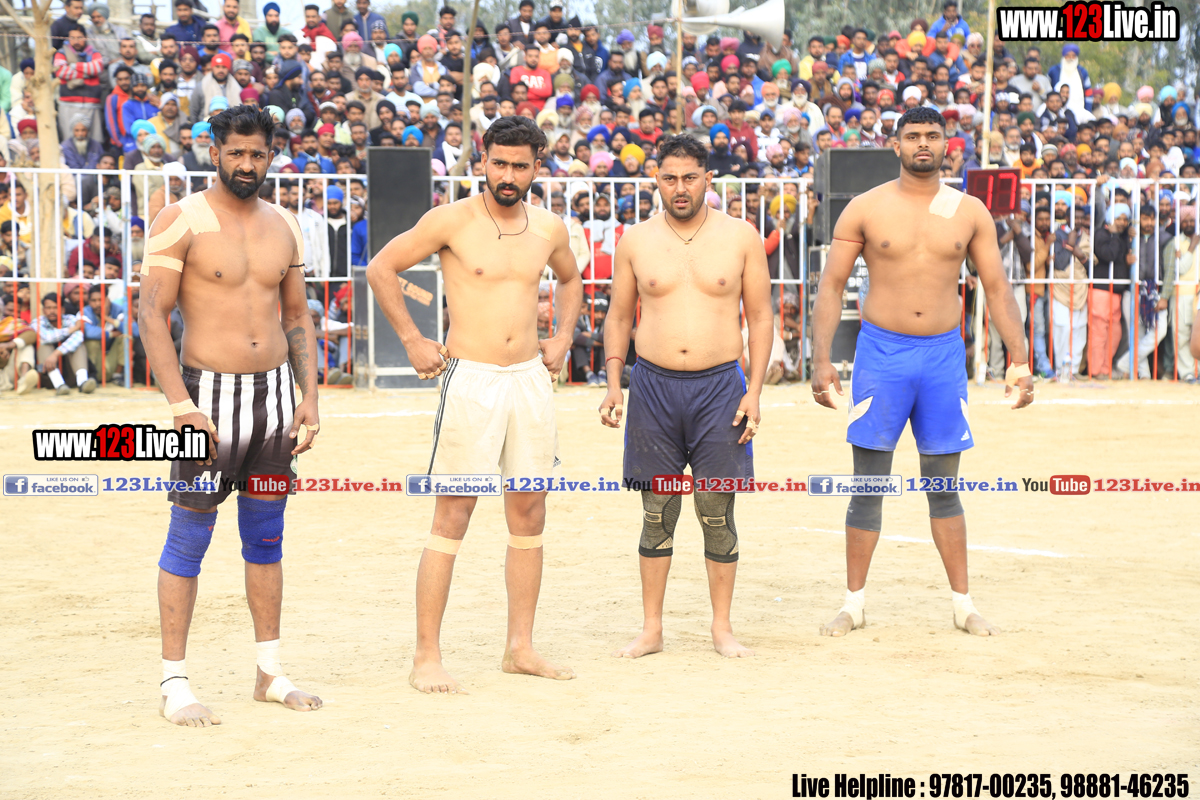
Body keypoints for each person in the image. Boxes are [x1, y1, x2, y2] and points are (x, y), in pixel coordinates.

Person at [366, 116, 583, 694]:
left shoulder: (549, 227)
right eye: (499, 163)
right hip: (471, 380)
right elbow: (381, 267)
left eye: (520, 166)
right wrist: (412, 338)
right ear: (482, 161)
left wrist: (563, 336)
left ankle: (520, 649)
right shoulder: (452, 220)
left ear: (537, 167)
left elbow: (571, 280)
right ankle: (427, 657)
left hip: (529, 379)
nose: (508, 175)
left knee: (530, 512)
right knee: (453, 513)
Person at [809, 107, 1033, 639]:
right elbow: (831, 286)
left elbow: (997, 288)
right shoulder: (865, 208)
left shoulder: (970, 211)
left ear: (947, 143)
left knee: (943, 485)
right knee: (868, 484)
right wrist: (820, 360)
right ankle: (853, 605)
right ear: (896, 145)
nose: (923, 144)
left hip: (942, 358)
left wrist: (1020, 359)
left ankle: (963, 605)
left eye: (933, 135)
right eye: (913, 136)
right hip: (882, 355)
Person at [138, 105, 323, 727]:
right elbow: (152, 315)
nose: (247, 164)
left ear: (272, 156)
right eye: (236, 152)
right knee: (189, 536)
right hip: (207, 402)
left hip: (274, 402)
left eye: (258, 154)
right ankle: (174, 683)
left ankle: (269, 672)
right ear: (214, 152)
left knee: (266, 537)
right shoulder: (180, 219)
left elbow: (295, 315)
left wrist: (310, 396)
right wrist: (180, 405)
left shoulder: (285, 225)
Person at [599, 134, 772, 659]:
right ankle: (651, 628)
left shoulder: (741, 237)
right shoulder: (636, 240)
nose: (680, 188)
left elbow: (760, 316)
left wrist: (755, 391)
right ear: (656, 179)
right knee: (657, 510)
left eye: (690, 177)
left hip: (721, 387)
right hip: (653, 387)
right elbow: (619, 317)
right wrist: (613, 382)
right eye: (670, 178)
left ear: (708, 179)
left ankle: (722, 627)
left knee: (716, 510)